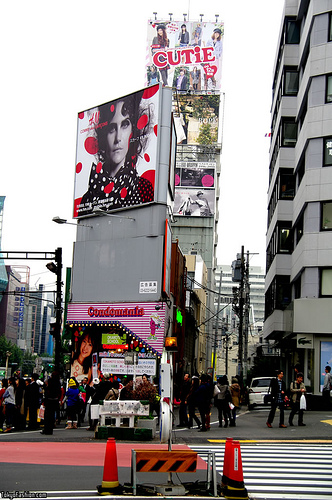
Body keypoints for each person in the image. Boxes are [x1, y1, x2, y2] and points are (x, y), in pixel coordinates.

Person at [78, 91, 154, 216]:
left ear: (132, 130)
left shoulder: (143, 188)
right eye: (111, 128)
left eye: (124, 125)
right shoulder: (88, 199)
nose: (118, 138)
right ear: (103, 135)